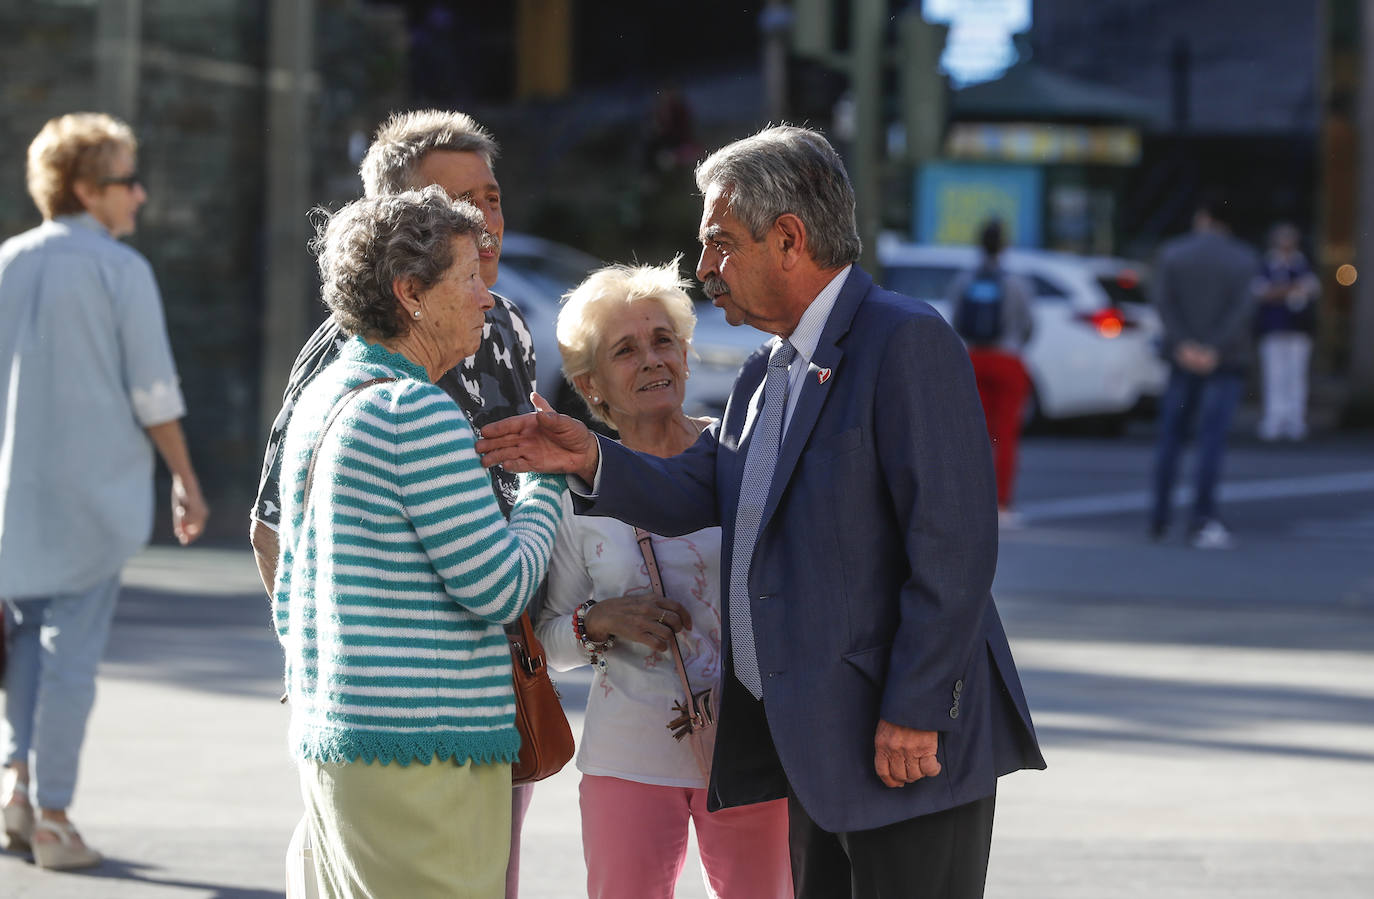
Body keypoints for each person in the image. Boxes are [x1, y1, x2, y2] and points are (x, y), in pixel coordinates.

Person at [478, 125, 1045, 899]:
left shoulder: (905, 340)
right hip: (812, 750)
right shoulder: (763, 370)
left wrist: (916, 710)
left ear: (788, 238)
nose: (705, 268)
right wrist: (589, 457)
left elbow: (954, 546)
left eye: (719, 243)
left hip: (903, 744)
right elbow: (707, 490)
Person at [246, 109, 542, 897]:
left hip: (354, 730)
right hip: (420, 746)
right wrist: (548, 484)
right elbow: (499, 585)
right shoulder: (408, 406)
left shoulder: (346, 388)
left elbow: (304, 584)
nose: (485, 278)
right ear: (409, 291)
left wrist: (330, 675)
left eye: (490, 204)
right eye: (465, 273)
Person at [537, 260, 791, 899]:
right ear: (591, 386)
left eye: (662, 341)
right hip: (627, 757)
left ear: (684, 353)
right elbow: (544, 641)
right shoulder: (574, 488)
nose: (652, 359)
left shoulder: (736, 456)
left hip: (750, 749)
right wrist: (596, 622)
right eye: (626, 350)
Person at [0, 113, 209, 869]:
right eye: (126, 180)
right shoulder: (121, 271)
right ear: (88, 189)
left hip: (12, 498)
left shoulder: (8, 261)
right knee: (71, 655)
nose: (141, 195)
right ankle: (54, 815)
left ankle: (19, 792)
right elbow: (153, 391)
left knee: (25, 639)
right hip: (93, 496)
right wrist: (186, 479)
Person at [1148, 192, 1260, 549]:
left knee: (1170, 439)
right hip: (1223, 362)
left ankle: (1160, 517)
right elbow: (1242, 311)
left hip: (1182, 358)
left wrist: (1184, 344)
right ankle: (1202, 517)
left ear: (1201, 217)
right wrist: (1213, 348)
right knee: (1211, 441)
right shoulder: (1244, 259)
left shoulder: (1173, 253)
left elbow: (1163, 302)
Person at [946, 219, 1034, 527]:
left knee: (974, 435)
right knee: (1006, 434)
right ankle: (1002, 504)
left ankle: (970, 502)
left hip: (972, 358)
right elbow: (1026, 325)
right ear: (1005, 244)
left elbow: (955, 319)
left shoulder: (964, 279)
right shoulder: (1016, 282)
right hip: (1007, 360)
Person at [1253, 222, 1319, 442]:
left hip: (1298, 330)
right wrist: (1289, 289)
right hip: (1273, 329)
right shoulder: (1267, 263)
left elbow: (1311, 289)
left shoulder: (1302, 263)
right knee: (1275, 375)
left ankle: (1295, 420)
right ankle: (1274, 419)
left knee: (1296, 376)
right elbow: (1260, 292)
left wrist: (1279, 291)